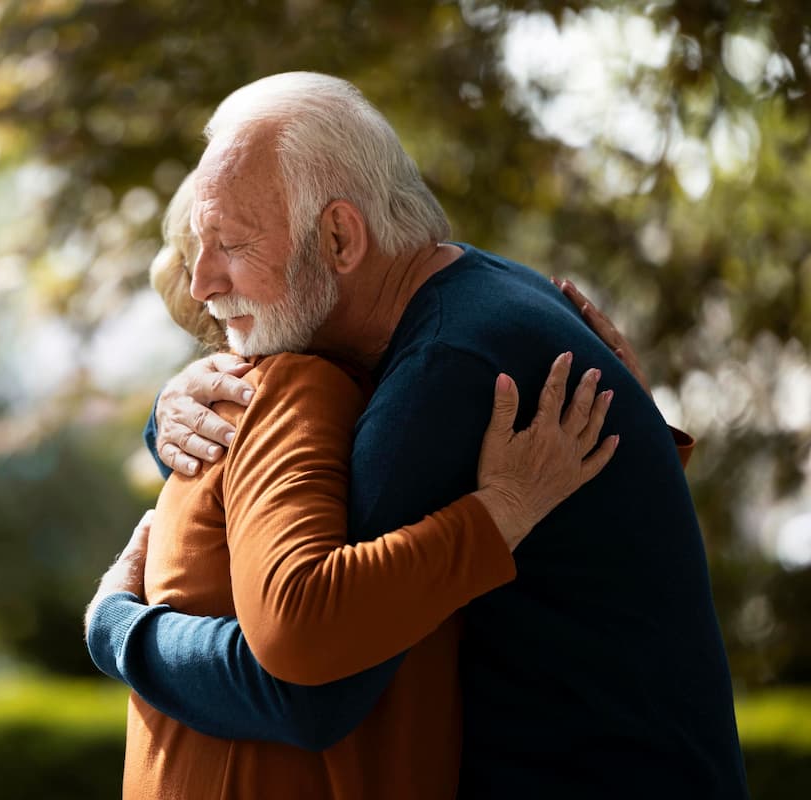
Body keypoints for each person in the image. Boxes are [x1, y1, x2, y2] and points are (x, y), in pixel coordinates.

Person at [86, 72, 748, 799]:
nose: (205, 280)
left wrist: (117, 630)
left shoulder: (448, 371)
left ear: (340, 236)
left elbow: (309, 682)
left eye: (230, 244)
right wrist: (170, 417)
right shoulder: (481, 294)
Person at [88, 173, 616, 799]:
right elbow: (302, 688)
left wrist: (115, 629)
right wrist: (116, 630)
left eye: (233, 245)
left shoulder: (336, 402)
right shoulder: (291, 391)